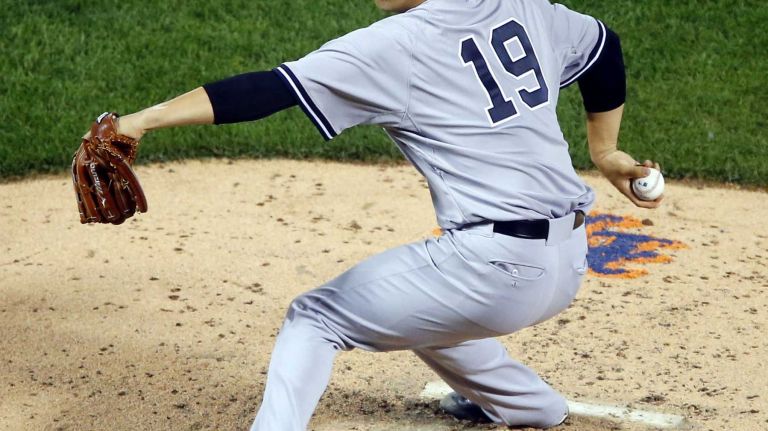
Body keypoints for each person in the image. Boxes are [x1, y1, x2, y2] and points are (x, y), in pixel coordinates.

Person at [87, 0, 662, 429]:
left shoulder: (396, 42)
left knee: (314, 318)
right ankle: (533, 405)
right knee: (422, 304)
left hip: (493, 270)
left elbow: (269, 90)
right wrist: (606, 152)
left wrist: (142, 120)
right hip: (566, 262)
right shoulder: (518, 5)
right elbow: (602, 44)